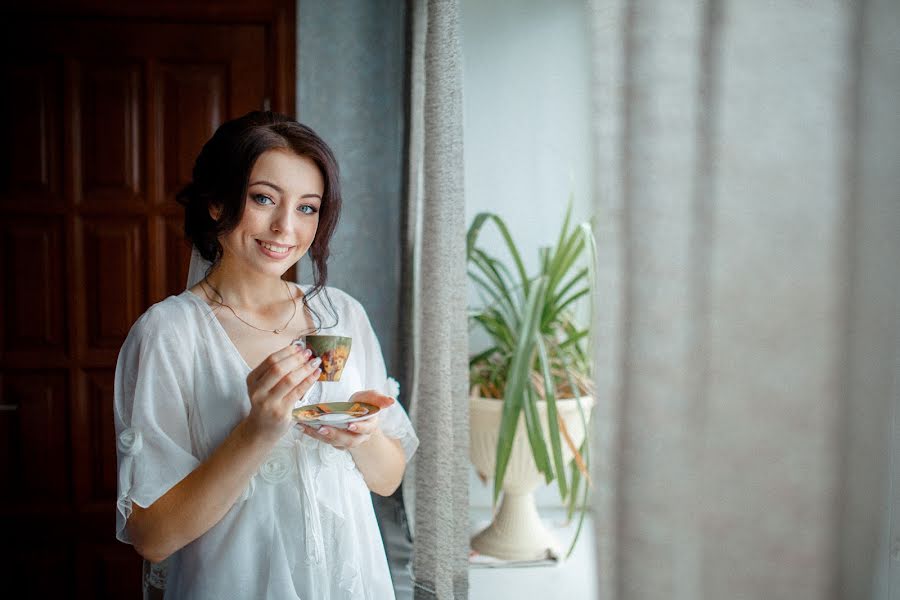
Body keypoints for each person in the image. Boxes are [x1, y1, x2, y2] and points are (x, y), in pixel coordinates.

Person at [113, 111, 418, 599]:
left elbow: (387, 479)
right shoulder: (169, 333)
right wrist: (256, 431)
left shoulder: (341, 314)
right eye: (263, 199)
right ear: (216, 203)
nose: (285, 228)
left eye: (307, 208)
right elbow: (154, 538)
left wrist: (361, 435)